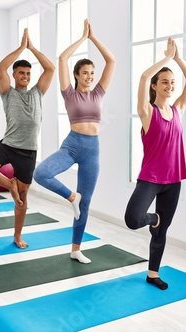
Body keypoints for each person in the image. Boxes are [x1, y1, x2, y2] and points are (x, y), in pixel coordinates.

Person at [33, 19, 115, 264]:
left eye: (92, 73)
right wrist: (81, 39)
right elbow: (62, 60)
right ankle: (71, 197)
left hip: (92, 149)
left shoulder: (99, 92)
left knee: (86, 202)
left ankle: (76, 249)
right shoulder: (69, 93)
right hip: (72, 145)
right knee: (41, 173)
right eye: (85, 73)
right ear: (77, 76)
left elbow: (111, 61)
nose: (90, 77)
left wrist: (93, 38)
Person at [124, 37, 186, 289]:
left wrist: (177, 58)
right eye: (164, 82)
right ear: (155, 87)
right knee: (133, 219)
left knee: (161, 231)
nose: (170, 85)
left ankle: (152, 273)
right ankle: (153, 218)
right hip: (151, 178)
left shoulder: (178, 109)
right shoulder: (147, 112)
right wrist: (166, 58)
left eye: (172, 82)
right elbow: (143, 78)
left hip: (174, 180)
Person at [0, 28, 55, 248]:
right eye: (21, 73)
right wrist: (21, 47)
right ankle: (9, 183)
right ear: (15, 75)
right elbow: (1, 68)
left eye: (28, 74)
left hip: (28, 151)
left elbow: (50, 68)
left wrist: (32, 48)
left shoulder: (38, 92)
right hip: (8, 145)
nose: (25, 77)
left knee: (22, 198)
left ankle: (17, 235)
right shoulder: (7, 92)